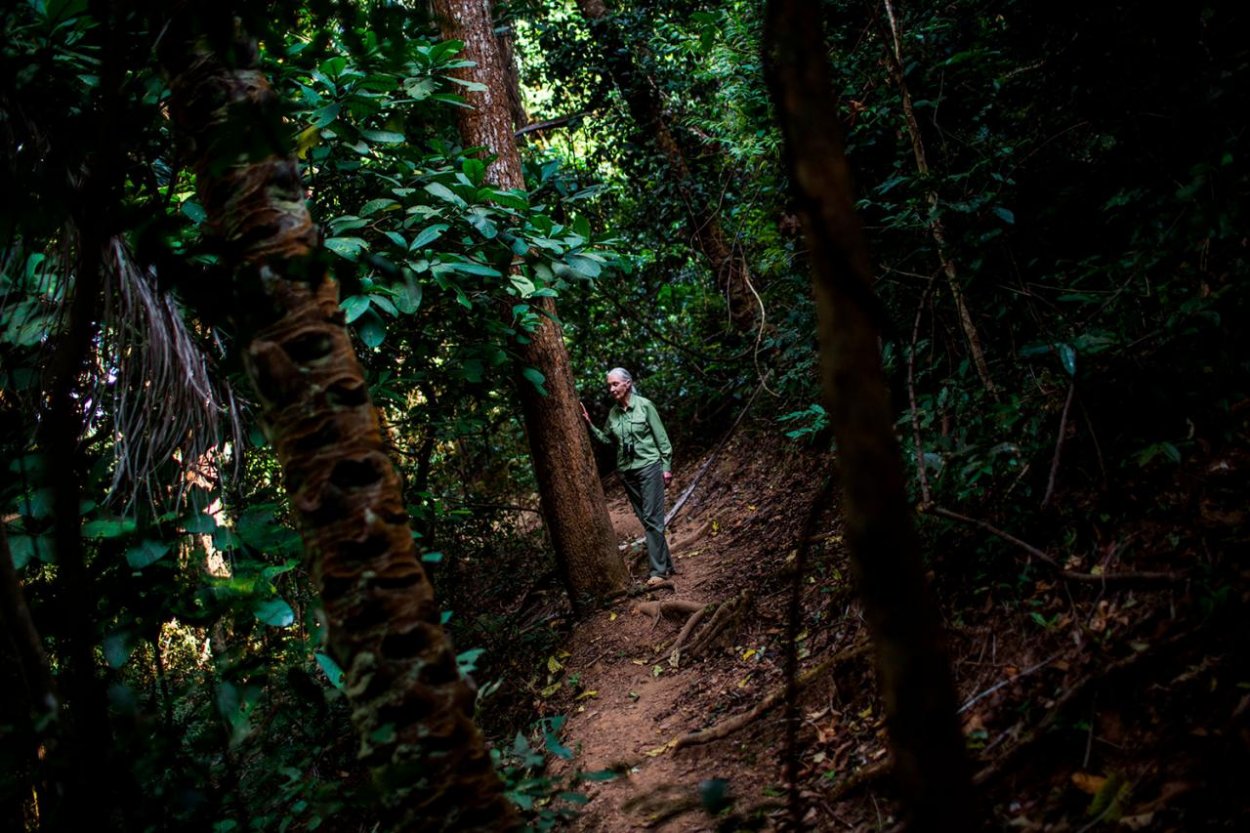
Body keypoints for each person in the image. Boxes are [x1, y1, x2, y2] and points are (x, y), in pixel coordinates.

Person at [581, 368, 675, 586]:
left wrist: (666, 467)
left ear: (628, 384)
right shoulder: (613, 413)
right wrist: (590, 425)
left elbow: (662, 439)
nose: (611, 389)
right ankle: (667, 564)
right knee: (647, 520)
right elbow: (607, 441)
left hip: (649, 467)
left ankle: (658, 573)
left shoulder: (645, 406)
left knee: (652, 519)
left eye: (615, 384)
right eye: (609, 385)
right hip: (627, 471)